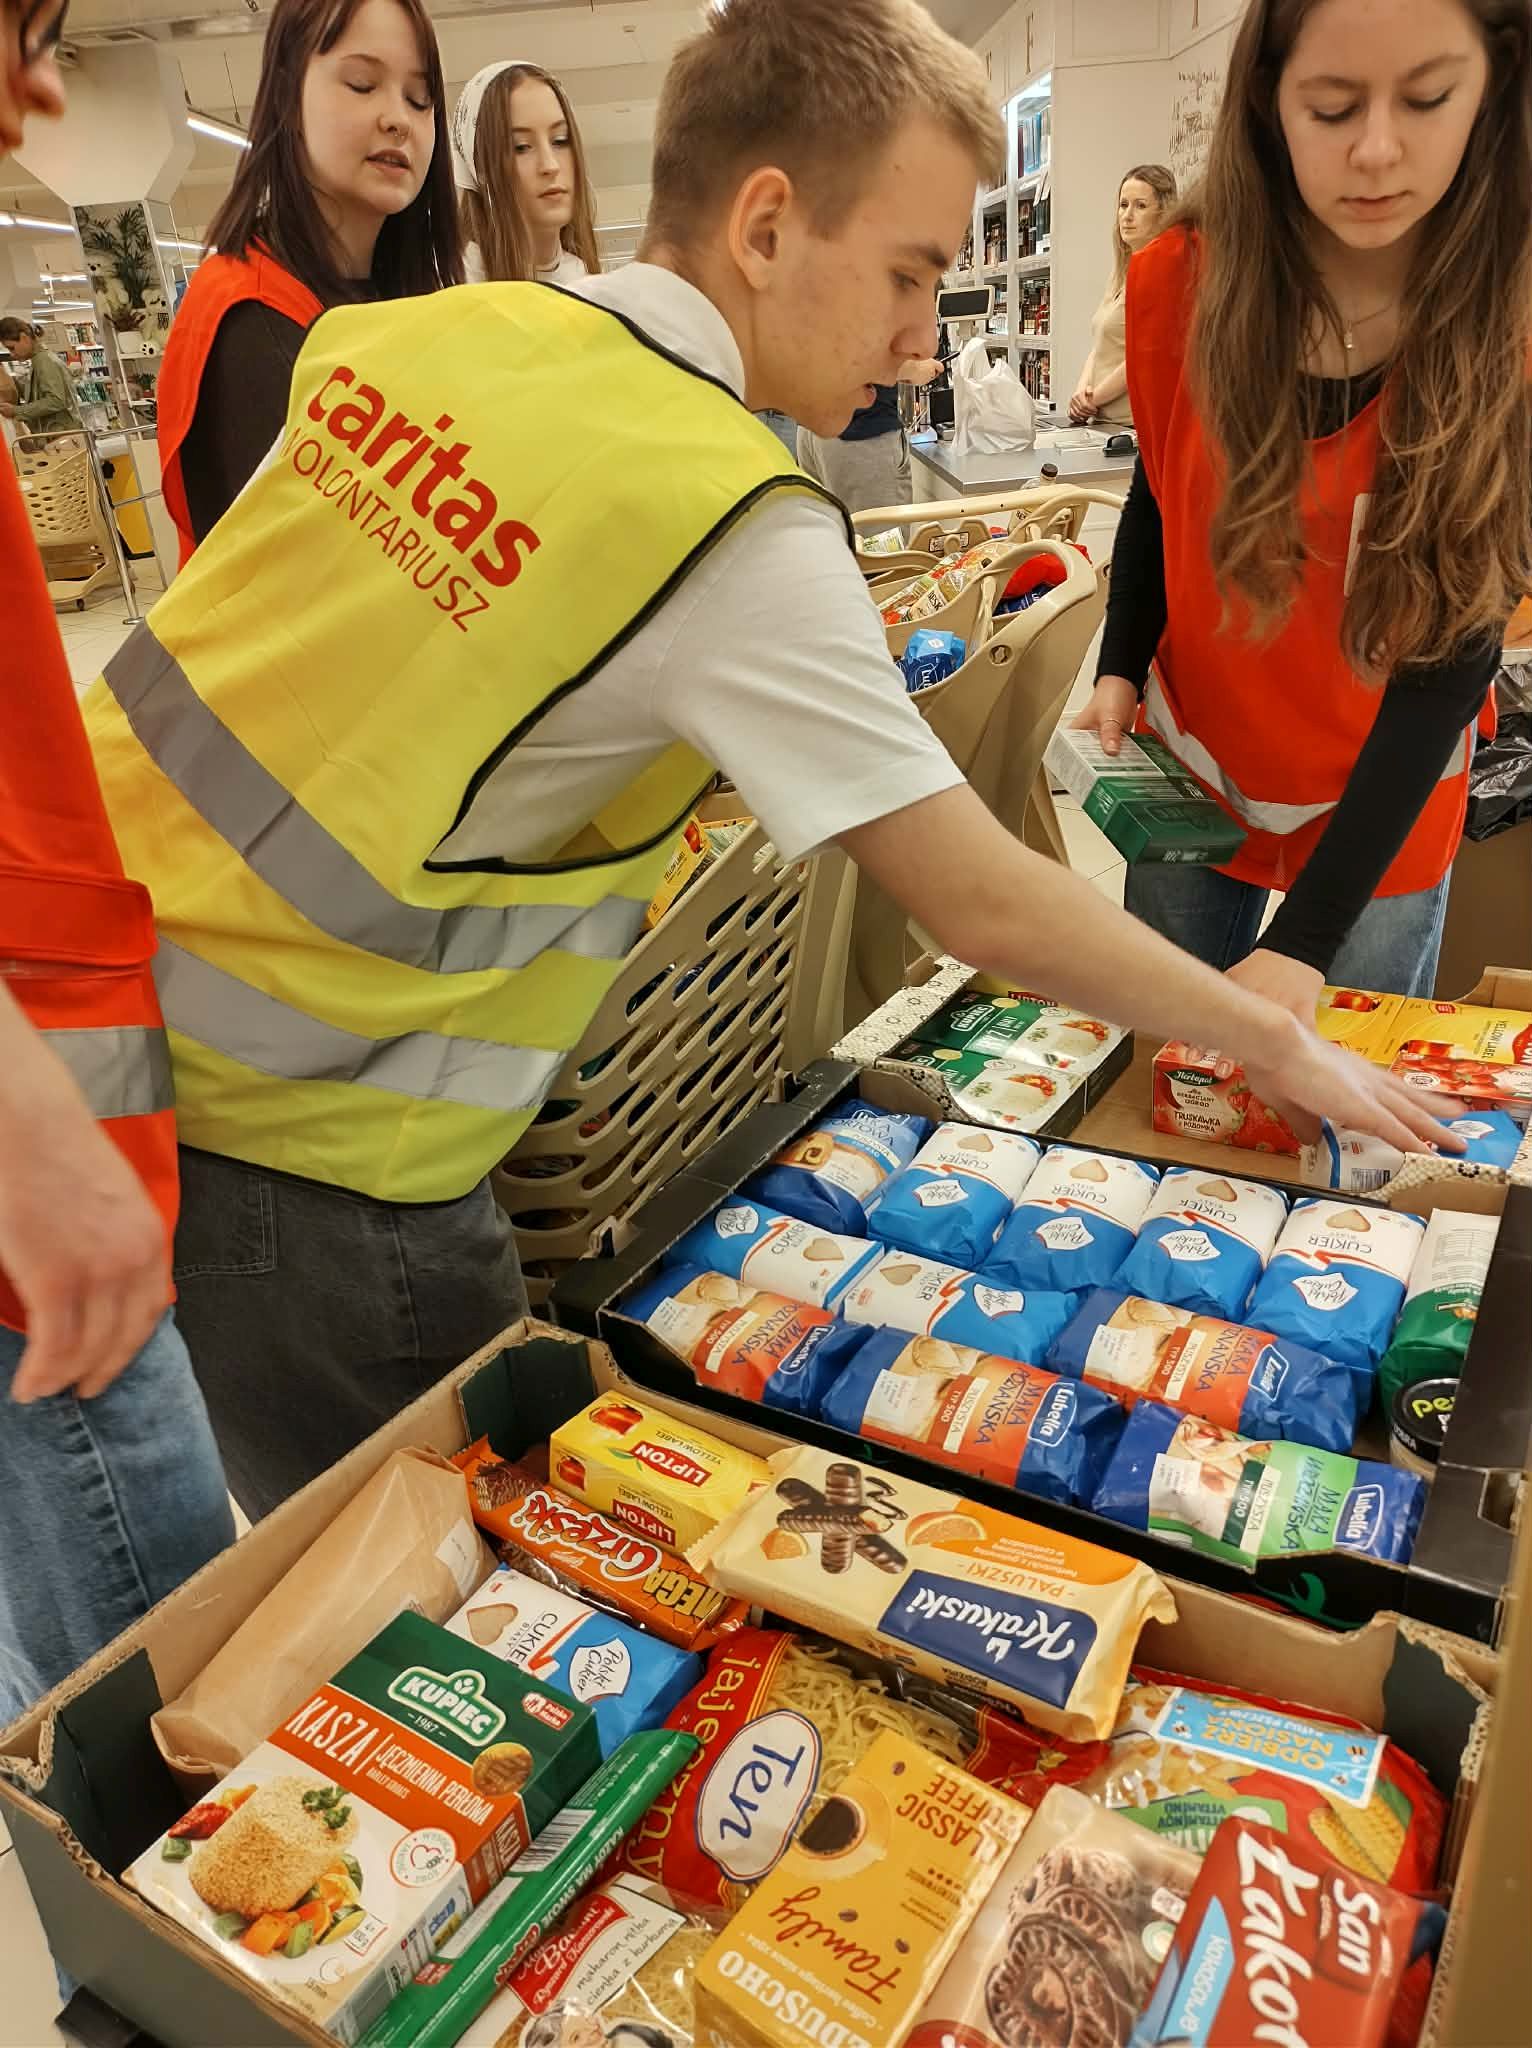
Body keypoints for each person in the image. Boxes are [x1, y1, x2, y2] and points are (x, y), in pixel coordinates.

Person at [83, 0, 1453, 1519]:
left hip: (100, 1039)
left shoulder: (422, 334)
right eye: (908, 272)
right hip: (319, 1145)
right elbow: (980, 898)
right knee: (437, 1558)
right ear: (765, 224)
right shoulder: (719, 511)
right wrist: (1271, 1034)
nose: (922, 335)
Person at [1077, 0, 1531, 1008]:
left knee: (1337, 1071)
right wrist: (1120, 657)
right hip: (1200, 752)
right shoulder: (1175, 285)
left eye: (1427, 99)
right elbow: (1161, 484)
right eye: (1330, 107)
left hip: (1388, 785)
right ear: (1266, 101)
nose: (1376, 152)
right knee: (1163, 1046)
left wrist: (1307, 938)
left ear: (1493, 91)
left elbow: (1457, 650)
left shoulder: (1513, 323)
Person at [0, 0, 233, 1719]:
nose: (41, 82)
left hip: (57, 1070)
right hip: (36, 1156)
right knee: (162, 1711)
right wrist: (27, 1127)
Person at [157, 0, 459, 565]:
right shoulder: (251, 320)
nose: (398, 118)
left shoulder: (394, 300)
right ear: (287, 97)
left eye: (420, 98)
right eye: (362, 84)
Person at [452, 60, 600, 285]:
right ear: (480, 169)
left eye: (560, 140)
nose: (550, 165)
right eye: (521, 147)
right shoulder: (456, 284)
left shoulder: (585, 278)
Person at [1068, 163, 1176, 426]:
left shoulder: (1163, 274)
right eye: (1123, 205)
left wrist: (1092, 399)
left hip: (1134, 422)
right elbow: (1101, 345)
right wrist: (1081, 392)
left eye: (1140, 206)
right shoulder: (1121, 273)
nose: (1127, 216)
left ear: (1163, 213)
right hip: (1104, 419)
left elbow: (1142, 357)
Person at [796, 358, 942, 513]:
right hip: (861, 437)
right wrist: (913, 368)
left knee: (828, 527)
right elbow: (858, 355)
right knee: (878, 528)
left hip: (813, 425)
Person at [0, 316, 80, 435]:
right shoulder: (40, 360)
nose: (12, 354)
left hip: (61, 436)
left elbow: (56, 400)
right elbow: (38, 392)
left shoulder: (44, 361)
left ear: (24, 338)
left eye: (12, 348)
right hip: (60, 435)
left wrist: (16, 411)